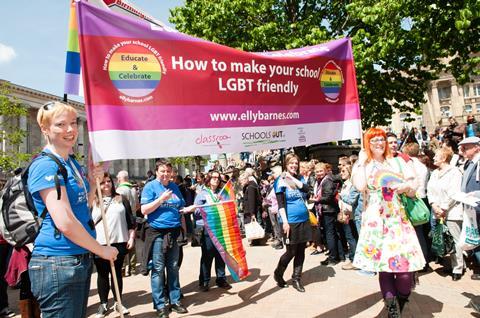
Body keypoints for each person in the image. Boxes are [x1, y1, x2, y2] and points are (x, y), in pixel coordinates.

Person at [27, 101, 118, 318]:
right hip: (57, 261)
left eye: (73, 122)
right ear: (45, 129)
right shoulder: (45, 165)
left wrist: (94, 184)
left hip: (76, 258)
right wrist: (101, 250)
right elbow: (65, 221)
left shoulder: (71, 163)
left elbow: (82, 207)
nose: (70, 130)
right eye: (60, 124)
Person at [352, 127, 425, 317]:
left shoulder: (397, 161)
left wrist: (404, 186)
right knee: (384, 268)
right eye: (374, 140)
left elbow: (413, 186)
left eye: (381, 139)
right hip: (376, 220)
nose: (379, 143)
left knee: (404, 271)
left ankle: (402, 298)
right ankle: (393, 310)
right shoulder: (364, 164)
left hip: (397, 219)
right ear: (367, 143)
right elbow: (360, 186)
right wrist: (360, 163)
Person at [140, 160, 188, 318]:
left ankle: (175, 301)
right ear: (156, 172)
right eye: (162, 171)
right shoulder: (150, 186)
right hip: (157, 233)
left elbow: (179, 207)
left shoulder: (174, 187)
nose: (166, 174)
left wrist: (188, 209)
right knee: (158, 269)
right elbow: (144, 209)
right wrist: (161, 199)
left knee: (173, 267)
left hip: (173, 231)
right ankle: (160, 305)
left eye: (168, 171)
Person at [92, 173, 136, 317]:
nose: (106, 184)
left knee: (116, 273)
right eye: (103, 182)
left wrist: (131, 237)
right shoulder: (93, 201)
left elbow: (130, 221)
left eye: (108, 181)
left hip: (119, 241)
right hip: (100, 244)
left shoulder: (121, 199)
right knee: (102, 274)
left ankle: (118, 302)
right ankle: (103, 303)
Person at [273, 153, 311, 292]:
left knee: (301, 250)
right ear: (286, 164)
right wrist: (285, 222)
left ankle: (296, 279)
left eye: (296, 163)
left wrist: (293, 178)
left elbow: (307, 190)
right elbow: (280, 204)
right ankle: (278, 273)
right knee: (291, 251)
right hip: (290, 221)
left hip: (304, 219)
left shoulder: (300, 178)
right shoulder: (280, 180)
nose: (294, 165)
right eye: (291, 163)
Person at [190, 170, 232, 292]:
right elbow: (196, 210)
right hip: (207, 228)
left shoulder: (221, 193)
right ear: (208, 179)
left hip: (220, 228)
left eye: (218, 178)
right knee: (207, 255)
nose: (216, 180)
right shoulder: (202, 193)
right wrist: (209, 207)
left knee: (221, 254)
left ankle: (221, 278)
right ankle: (204, 281)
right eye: (213, 177)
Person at [426, 148, 464, 281]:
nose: (434, 158)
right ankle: (448, 261)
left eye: (436, 156)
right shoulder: (435, 173)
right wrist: (434, 205)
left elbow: (454, 193)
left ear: (444, 158)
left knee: (454, 239)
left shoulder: (455, 172)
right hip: (437, 210)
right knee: (442, 238)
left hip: (452, 211)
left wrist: (443, 208)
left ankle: (458, 267)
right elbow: (430, 190)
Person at [314, 163, 345, 266]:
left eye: (321, 171)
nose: (319, 173)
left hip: (329, 210)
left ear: (325, 171)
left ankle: (333, 258)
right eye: (317, 171)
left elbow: (327, 197)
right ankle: (339, 256)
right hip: (327, 210)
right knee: (333, 233)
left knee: (330, 234)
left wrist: (316, 199)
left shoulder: (327, 181)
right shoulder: (322, 181)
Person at [116, 170, 138, 277]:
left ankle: (123, 268)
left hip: (123, 219)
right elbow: (137, 205)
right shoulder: (133, 189)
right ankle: (133, 268)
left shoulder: (119, 190)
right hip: (133, 218)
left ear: (119, 179)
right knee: (132, 242)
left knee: (123, 242)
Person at [337, 165, 358, 270]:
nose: (341, 173)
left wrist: (340, 196)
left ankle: (354, 260)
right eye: (341, 171)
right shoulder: (345, 184)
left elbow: (350, 201)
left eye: (344, 171)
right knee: (351, 237)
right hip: (346, 213)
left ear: (350, 172)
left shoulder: (351, 185)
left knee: (351, 238)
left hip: (349, 214)